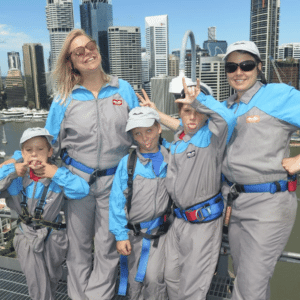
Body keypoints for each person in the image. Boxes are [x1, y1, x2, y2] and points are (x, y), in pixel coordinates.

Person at [12, 29, 139, 300]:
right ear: (71, 61)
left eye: (89, 46)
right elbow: (47, 145)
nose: (87, 53)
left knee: (107, 249)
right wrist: (15, 160)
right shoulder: (64, 98)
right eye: (78, 51)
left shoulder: (123, 89)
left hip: (114, 183)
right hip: (76, 182)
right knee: (78, 249)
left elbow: (140, 135)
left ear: (98, 49)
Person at [137, 78, 236, 300]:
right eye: (186, 110)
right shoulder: (181, 137)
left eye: (198, 112)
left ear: (206, 113)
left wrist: (200, 99)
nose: (192, 117)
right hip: (178, 221)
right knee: (171, 276)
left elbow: (228, 119)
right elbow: (180, 124)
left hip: (203, 224)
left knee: (192, 287)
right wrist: (155, 113)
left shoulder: (213, 137)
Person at [221, 41, 300, 300]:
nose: (239, 72)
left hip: (268, 204)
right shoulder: (230, 104)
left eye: (246, 65)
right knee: (249, 279)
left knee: (249, 287)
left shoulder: (278, 94)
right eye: (232, 66)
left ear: (259, 67)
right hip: (234, 202)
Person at [0, 127, 89, 300]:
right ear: (22, 154)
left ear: (49, 152)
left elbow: (82, 190)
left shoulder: (57, 174)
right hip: (26, 235)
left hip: (53, 237)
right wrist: (11, 170)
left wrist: (56, 174)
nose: (35, 154)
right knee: (37, 284)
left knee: (51, 279)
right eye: (29, 150)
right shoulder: (17, 178)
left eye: (40, 149)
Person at [109, 106, 170, 300]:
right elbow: (116, 201)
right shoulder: (128, 163)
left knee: (154, 279)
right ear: (133, 136)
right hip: (133, 234)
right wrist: (120, 235)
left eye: (149, 130)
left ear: (159, 128)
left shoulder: (173, 157)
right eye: (138, 133)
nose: (145, 138)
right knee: (134, 282)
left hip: (161, 233)